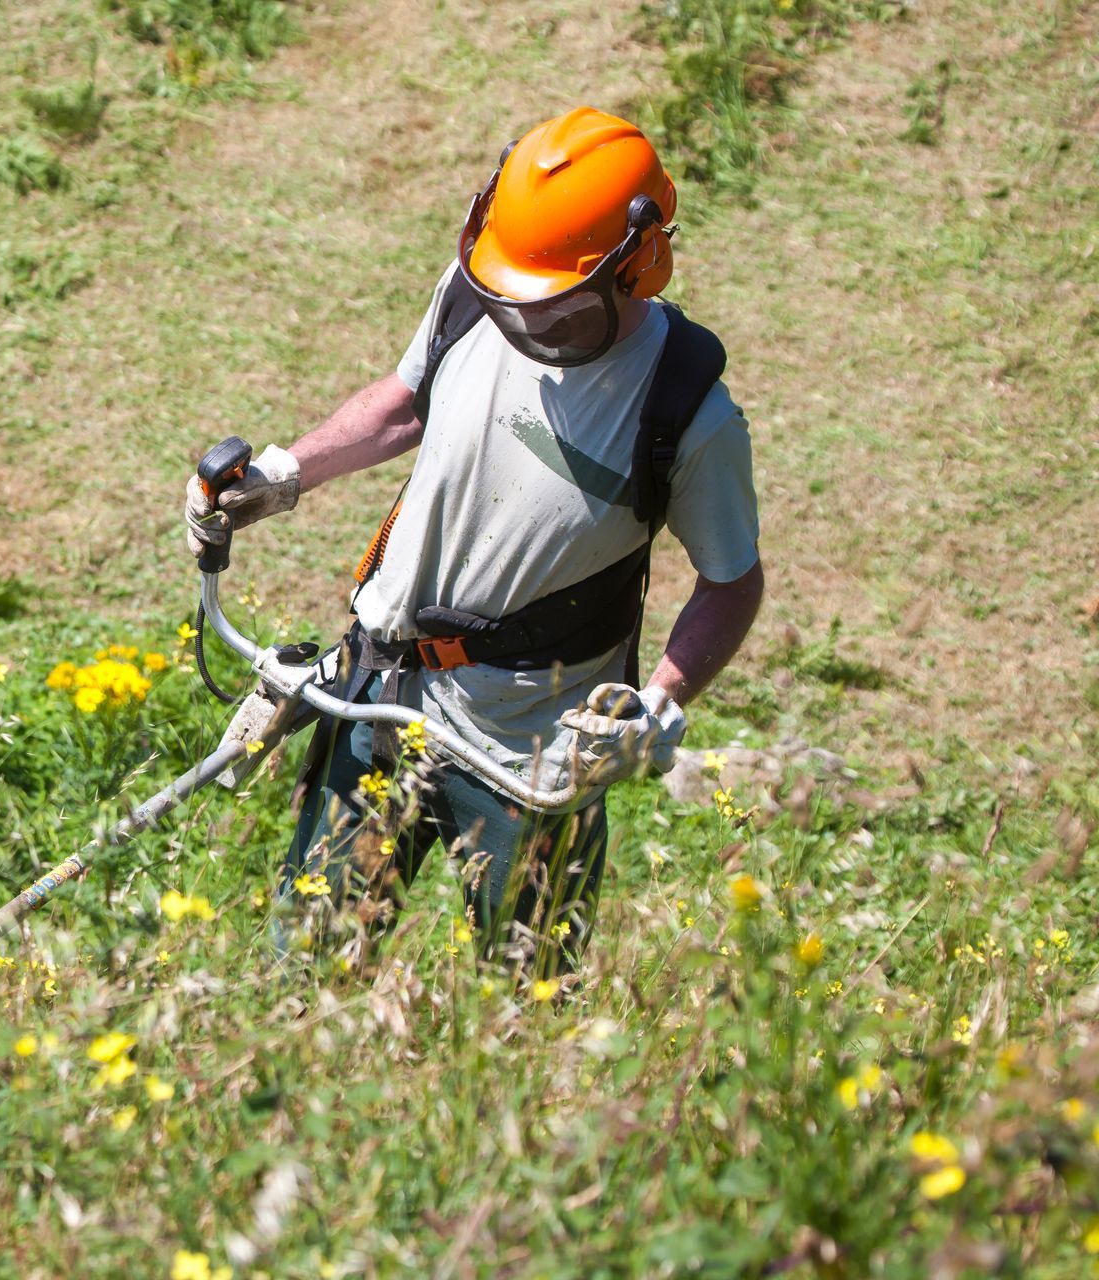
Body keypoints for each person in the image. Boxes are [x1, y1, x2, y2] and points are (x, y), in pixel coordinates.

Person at [183, 107, 763, 973]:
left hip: (532, 749)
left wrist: (660, 706)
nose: (524, 324)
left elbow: (730, 583)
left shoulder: (686, 409)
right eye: (510, 299)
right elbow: (407, 401)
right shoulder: (479, 294)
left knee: (526, 1002)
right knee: (307, 965)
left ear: (638, 267)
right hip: (378, 691)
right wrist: (282, 475)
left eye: (555, 310)